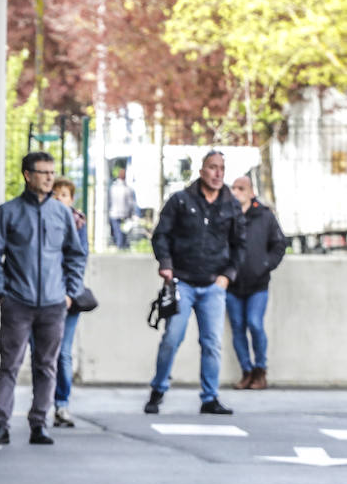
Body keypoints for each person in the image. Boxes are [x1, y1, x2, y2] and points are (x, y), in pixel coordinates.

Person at [0, 151, 86, 446]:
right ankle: (1, 425)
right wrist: (2, 293)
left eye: (52, 172)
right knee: (10, 365)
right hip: (18, 302)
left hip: (53, 304)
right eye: (43, 172)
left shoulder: (62, 213)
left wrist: (69, 293)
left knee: (47, 366)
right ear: (28, 175)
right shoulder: (8, 212)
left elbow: (75, 255)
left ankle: (39, 424)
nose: (50, 177)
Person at [144, 150, 246, 415]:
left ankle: (209, 398)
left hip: (213, 285)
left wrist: (228, 276)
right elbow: (161, 235)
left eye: (221, 168)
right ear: (202, 171)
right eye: (212, 167)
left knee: (212, 343)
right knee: (172, 338)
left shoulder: (231, 205)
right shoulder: (181, 200)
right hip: (182, 282)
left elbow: (240, 245)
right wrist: (166, 265)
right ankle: (158, 389)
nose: (217, 173)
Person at [226, 175, 286, 391]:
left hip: (257, 284)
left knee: (254, 324)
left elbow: (279, 245)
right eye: (233, 188)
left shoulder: (264, 216)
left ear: (251, 192)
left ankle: (260, 370)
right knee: (238, 329)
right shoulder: (227, 216)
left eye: (241, 188)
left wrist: (265, 264)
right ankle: (247, 372)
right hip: (232, 285)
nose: (236, 192)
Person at [49, 177, 89, 427]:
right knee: (42, 356)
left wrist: (70, 293)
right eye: (56, 194)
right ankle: (41, 404)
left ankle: (62, 404)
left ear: (71, 199)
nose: (60, 199)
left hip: (67, 298)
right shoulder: (40, 218)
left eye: (64, 194)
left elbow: (79, 259)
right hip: (40, 296)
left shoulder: (79, 223)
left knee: (63, 353)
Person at [109, 165, 137, 249]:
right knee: (124, 231)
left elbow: (109, 200)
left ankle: (119, 245)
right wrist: (132, 213)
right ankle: (122, 246)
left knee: (117, 231)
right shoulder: (128, 189)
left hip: (114, 212)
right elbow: (131, 202)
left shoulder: (113, 188)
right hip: (124, 213)